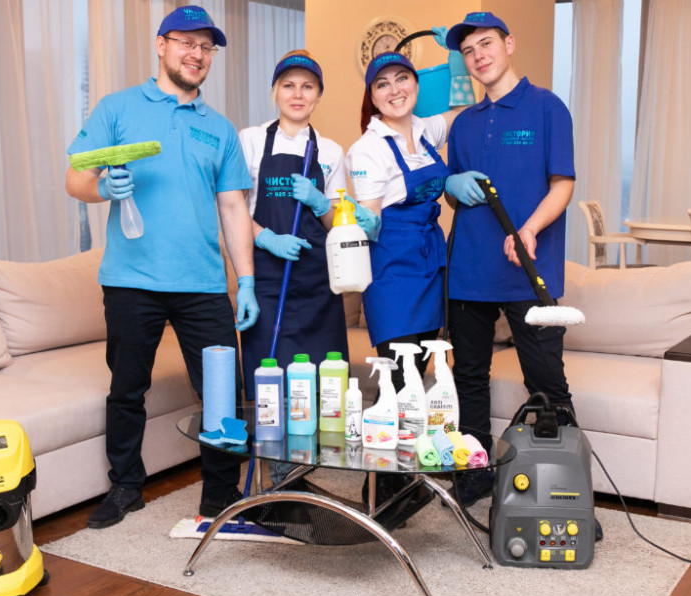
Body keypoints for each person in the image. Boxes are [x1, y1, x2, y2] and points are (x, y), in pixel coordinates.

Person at [65, 5, 259, 528]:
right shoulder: (117, 109)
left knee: (222, 391)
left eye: (206, 47)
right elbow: (76, 177)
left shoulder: (219, 129)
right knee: (127, 389)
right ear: (161, 45)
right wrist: (104, 188)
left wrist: (245, 280)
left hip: (203, 282)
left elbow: (233, 208)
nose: (197, 54)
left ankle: (220, 495)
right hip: (131, 280)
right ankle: (126, 486)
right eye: (186, 43)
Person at [443, 12, 576, 506]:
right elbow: (455, 195)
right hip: (469, 272)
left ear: (509, 44)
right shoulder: (464, 124)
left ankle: (564, 489)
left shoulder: (547, 108)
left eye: (486, 43)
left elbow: (562, 183)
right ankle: (474, 479)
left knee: (547, 383)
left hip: (529, 272)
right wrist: (450, 187)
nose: (478, 55)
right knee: (468, 380)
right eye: (469, 50)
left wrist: (529, 229)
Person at [345, 36, 471, 392]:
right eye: (382, 84)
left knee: (417, 380)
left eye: (402, 78)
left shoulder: (425, 129)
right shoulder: (367, 149)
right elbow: (371, 221)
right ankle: (383, 430)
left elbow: (465, 116)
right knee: (399, 382)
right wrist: (354, 218)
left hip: (430, 267)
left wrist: (459, 69)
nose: (395, 90)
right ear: (372, 97)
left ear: (416, 84)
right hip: (391, 272)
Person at [238, 50, 360, 394]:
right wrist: (266, 238)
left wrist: (320, 202)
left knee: (325, 387)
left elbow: (336, 225)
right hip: (266, 280)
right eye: (288, 85)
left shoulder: (331, 151)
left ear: (318, 96)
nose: (297, 94)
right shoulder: (250, 140)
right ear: (275, 91)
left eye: (308, 87)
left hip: (317, 285)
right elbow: (233, 210)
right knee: (267, 386)